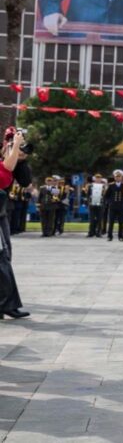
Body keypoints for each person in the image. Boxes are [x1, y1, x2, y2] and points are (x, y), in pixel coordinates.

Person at [0, 128, 31, 319]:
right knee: (2, 258)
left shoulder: (14, 161)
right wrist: (16, 144)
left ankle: (5, 303)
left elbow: (24, 179)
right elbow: (5, 171)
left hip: (1, 212)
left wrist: (21, 156)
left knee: (4, 256)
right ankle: (6, 303)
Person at [103, 169, 123, 242]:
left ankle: (120, 236)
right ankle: (109, 236)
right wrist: (109, 202)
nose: (118, 178)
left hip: (121, 206)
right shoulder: (111, 185)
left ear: (121, 177)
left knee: (121, 222)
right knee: (111, 222)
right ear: (114, 177)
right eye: (116, 176)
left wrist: (122, 200)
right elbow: (106, 196)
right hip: (112, 206)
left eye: (119, 176)